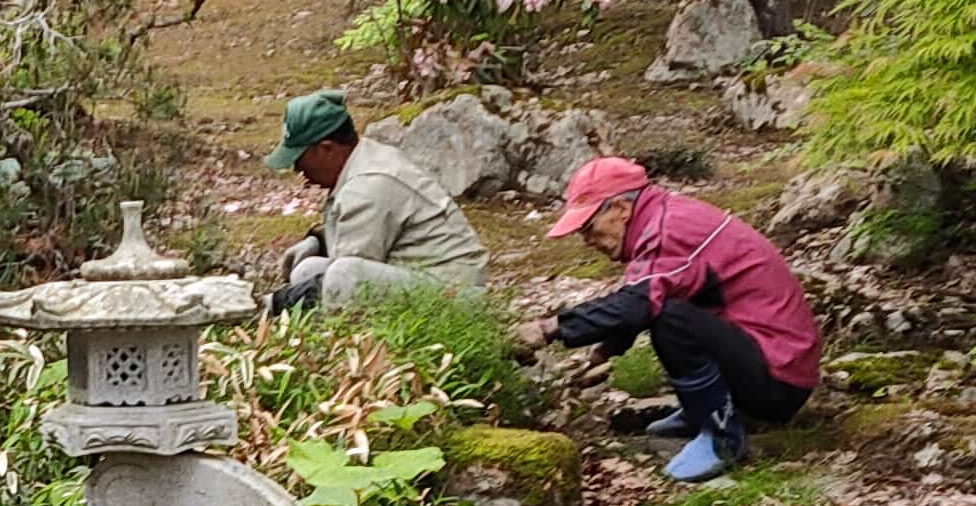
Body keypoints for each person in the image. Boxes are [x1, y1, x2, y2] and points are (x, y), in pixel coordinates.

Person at [533, 155, 823, 483]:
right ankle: (701, 411)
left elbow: (638, 304)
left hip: (779, 378)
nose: (586, 241)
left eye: (588, 228)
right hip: (776, 363)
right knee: (669, 310)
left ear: (619, 209)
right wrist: (605, 350)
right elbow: (652, 292)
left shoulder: (668, 230)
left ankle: (722, 435)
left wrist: (548, 328)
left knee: (672, 320)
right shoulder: (665, 217)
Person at [264, 88, 493, 313]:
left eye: (299, 159)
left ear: (327, 149)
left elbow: (350, 274)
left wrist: (273, 303)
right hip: (426, 280)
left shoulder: (367, 186)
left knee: (342, 275)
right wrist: (318, 241)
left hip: (456, 296)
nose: (298, 170)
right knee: (306, 270)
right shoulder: (367, 160)